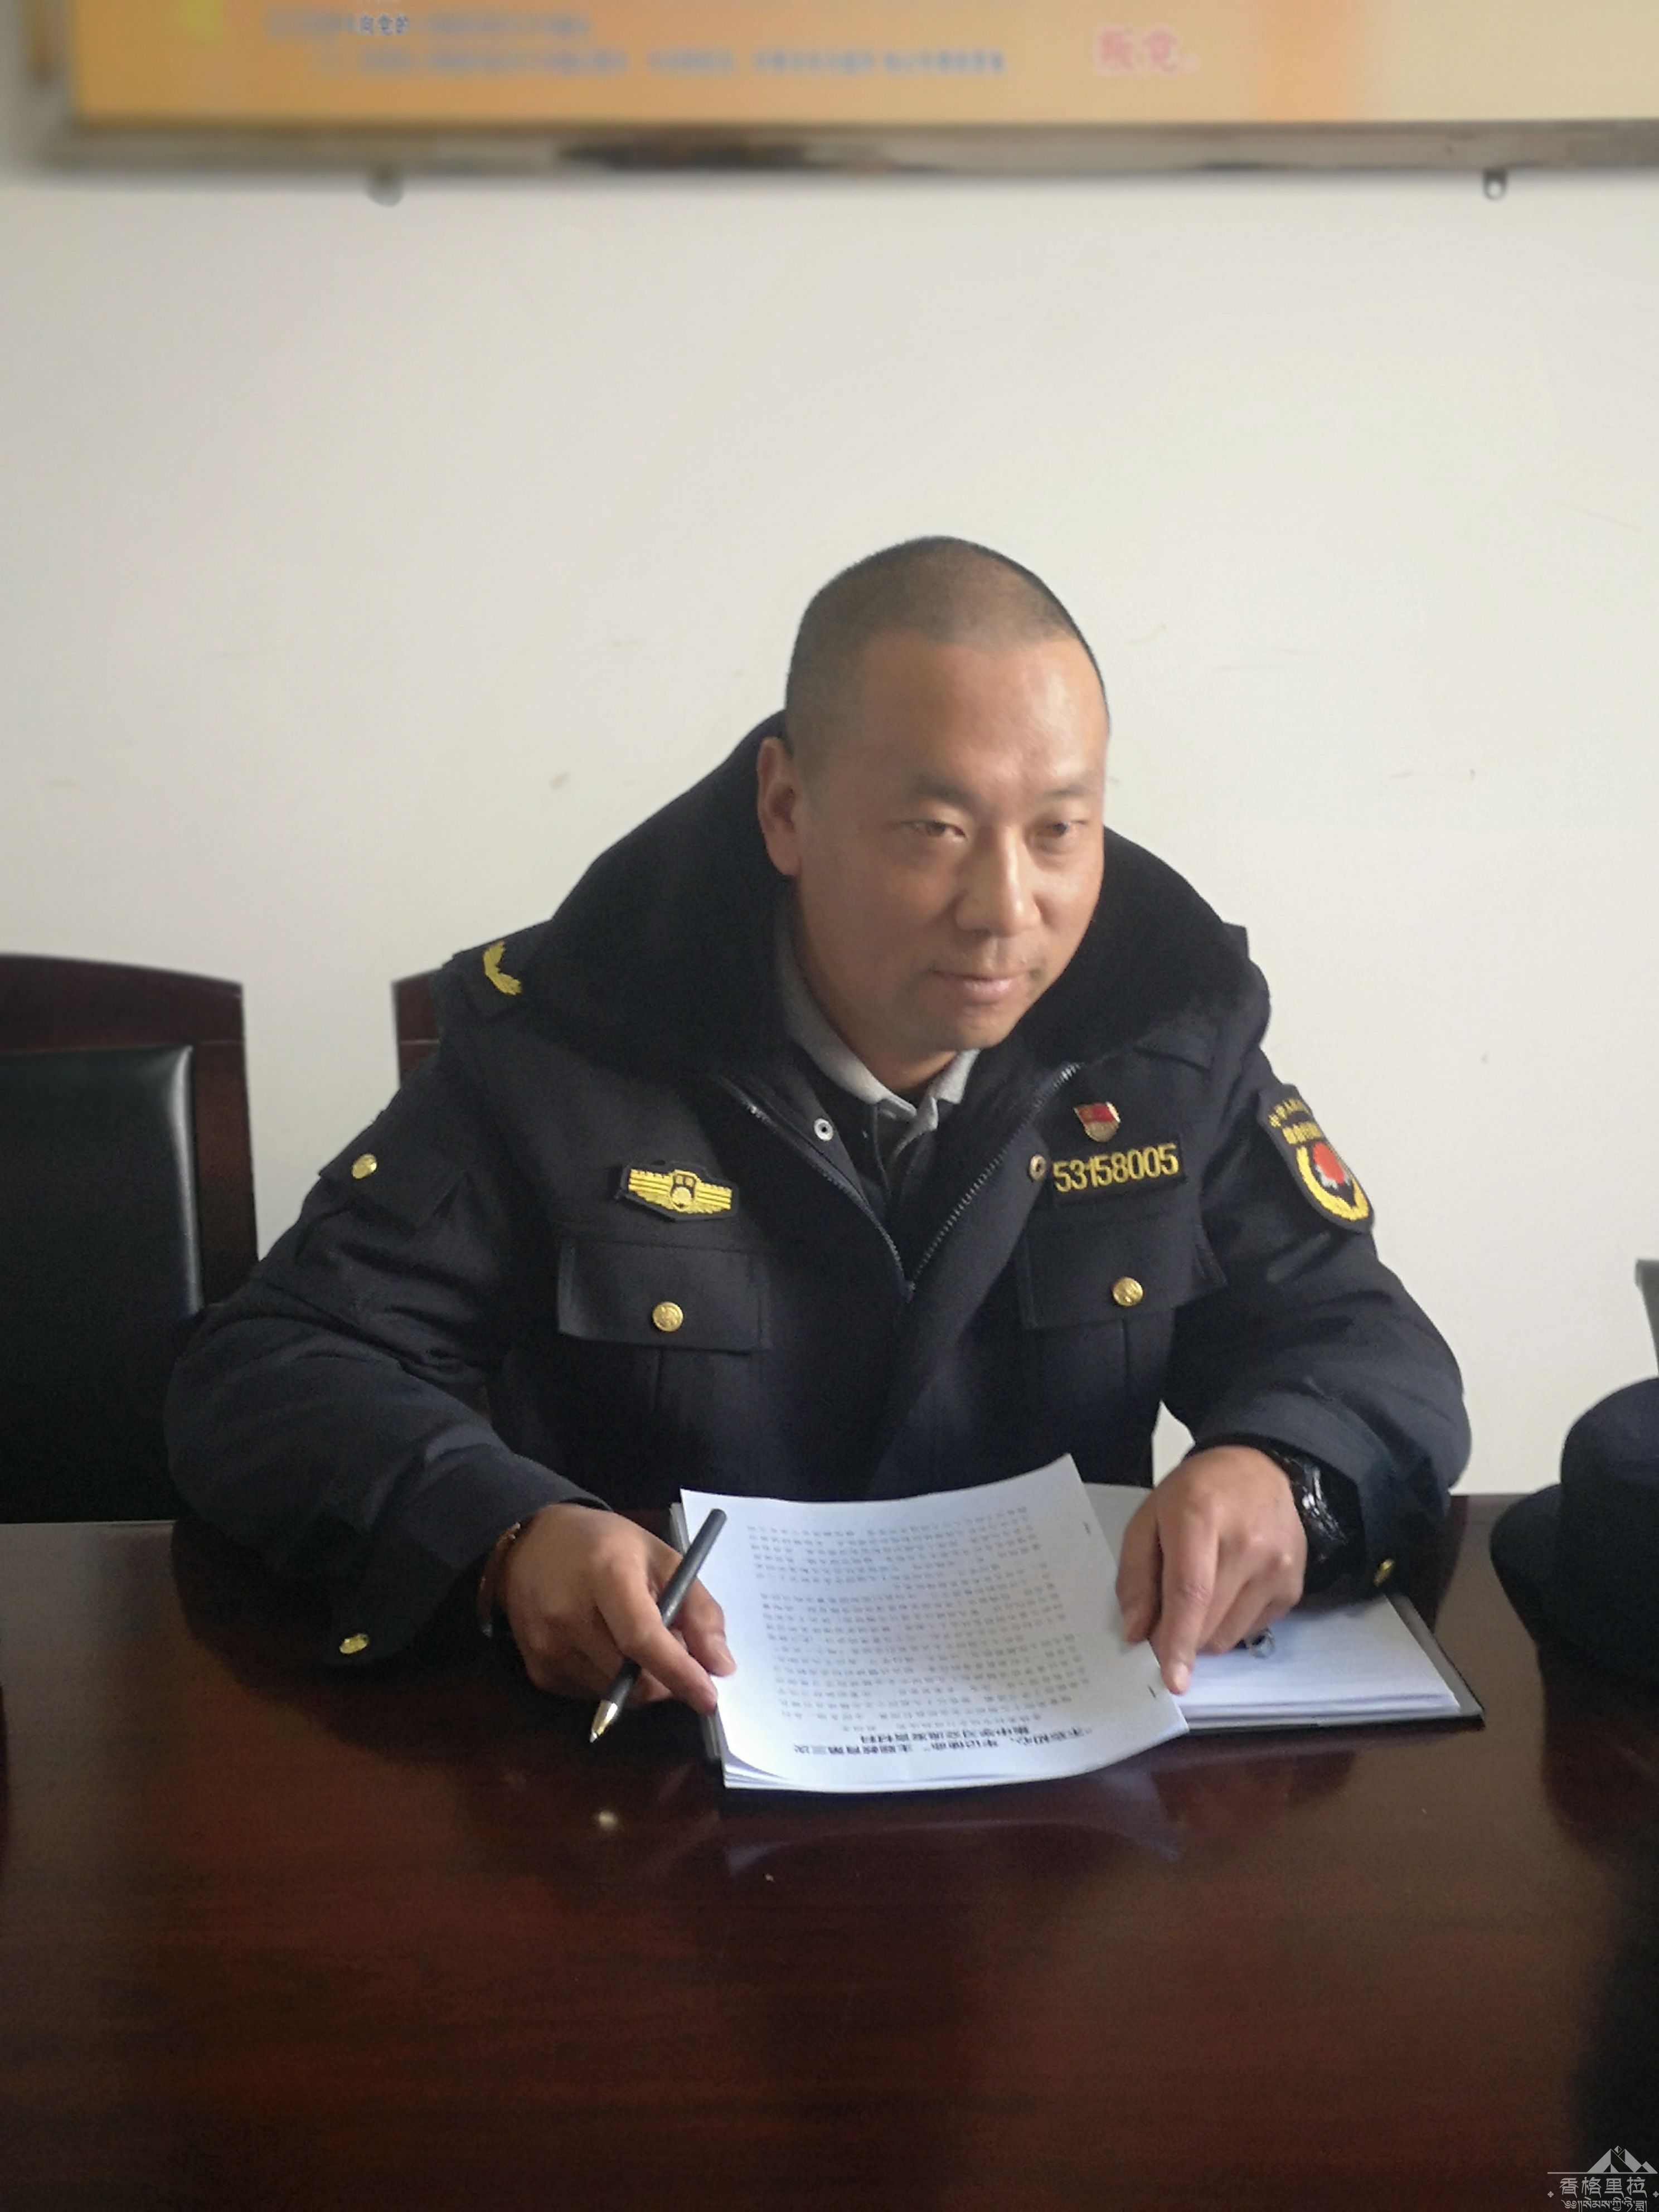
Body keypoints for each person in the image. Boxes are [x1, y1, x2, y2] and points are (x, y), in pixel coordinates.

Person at [167, 537, 1468, 1717]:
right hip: (663, 1771)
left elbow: (1369, 1347)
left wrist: (1287, 1471)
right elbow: (273, 1365)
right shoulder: (570, 1037)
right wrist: (508, 1537)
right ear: (786, 809)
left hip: (1063, 1778)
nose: (1005, 908)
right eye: (937, 830)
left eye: (1060, 831)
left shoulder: (1164, 1029)